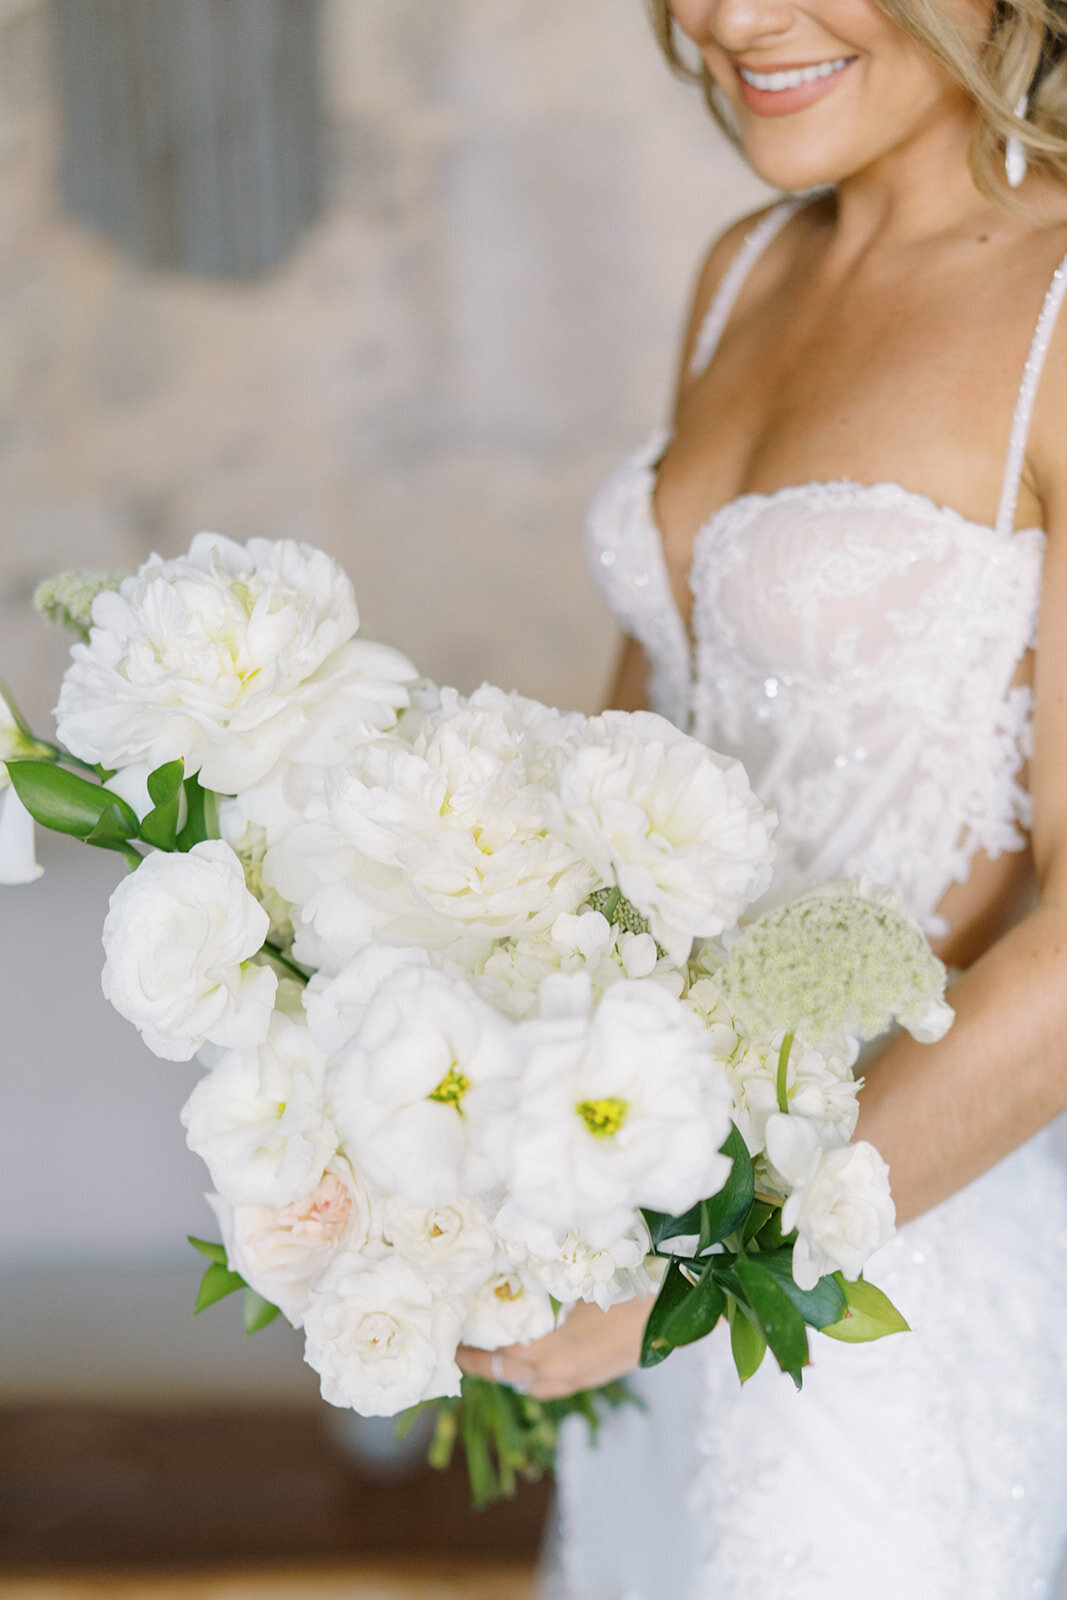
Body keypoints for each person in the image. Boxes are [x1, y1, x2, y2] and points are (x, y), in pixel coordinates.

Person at [458, 0, 1067, 1593]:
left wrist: (728, 1264)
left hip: (885, 1275)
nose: (729, 18)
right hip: (647, 1237)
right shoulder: (746, 268)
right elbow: (623, 773)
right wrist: (459, 1119)